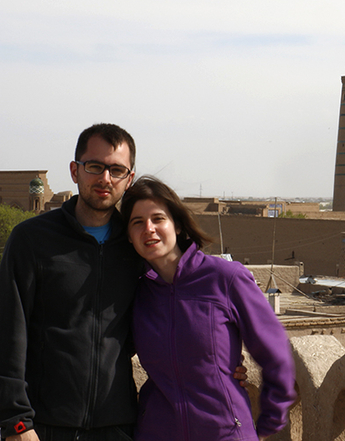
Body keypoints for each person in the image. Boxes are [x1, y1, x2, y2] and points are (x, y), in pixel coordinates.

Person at [120, 176, 295, 441]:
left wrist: (268, 421)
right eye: (137, 222)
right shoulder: (136, 293)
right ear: (128, 236)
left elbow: (275, 350)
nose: (149, 229)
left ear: (177, 225)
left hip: (225, 433)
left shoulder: (225, 278)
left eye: (158, 218)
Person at [0, 123, 141, 440]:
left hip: (117, 426)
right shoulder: (32, 240)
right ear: (75, 171)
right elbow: (8, 331)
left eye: (117, 170)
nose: (105, 179)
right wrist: (15, 420)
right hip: (43, 426)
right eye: (95, 167)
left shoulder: (136, 246)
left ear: (129, 179)